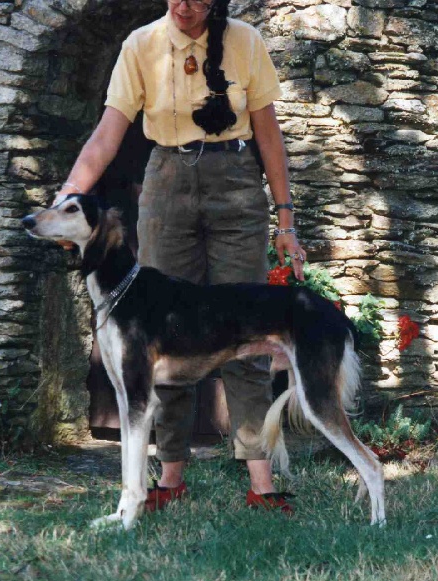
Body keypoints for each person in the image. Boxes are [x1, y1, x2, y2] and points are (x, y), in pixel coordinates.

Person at [54, 0, 306, 512]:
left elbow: (268, 132)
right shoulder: (140, 45)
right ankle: (169, 477)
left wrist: (285, 219)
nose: (182, 7)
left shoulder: (245, 41)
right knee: (157, 331)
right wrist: (68, 195)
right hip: (166, 184)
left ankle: (262, 484)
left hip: (236, 185)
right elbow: (108, 134)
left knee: (247, 328)